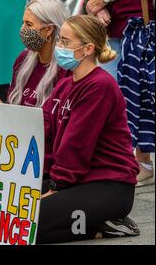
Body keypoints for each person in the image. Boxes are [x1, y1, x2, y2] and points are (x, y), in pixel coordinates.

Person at [37, 15, 140, 243]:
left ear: (88, 49)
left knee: (28, 223)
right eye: (59, 41)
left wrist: (56, 186)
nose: (58, 47)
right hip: (78, 179)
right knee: (8, 207)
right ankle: (96, 226)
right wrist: (0, 110)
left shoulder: (100, 86)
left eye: (65, 42)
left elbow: (76, 144)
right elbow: (40, 125)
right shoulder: (65, 84)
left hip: (110, 185)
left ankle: (101, 225)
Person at [85, 0, 155, 185]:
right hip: (106, 27)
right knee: (109, 99)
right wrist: (97, 7)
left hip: (136, 24)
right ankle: (118, 160)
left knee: (139, 94)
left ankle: (142, 161)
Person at [0, 0, 70, 108]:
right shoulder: (23, 59)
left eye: (29, 24)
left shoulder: (65, 68)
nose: (22, 29)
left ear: (48, 30)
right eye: (23, 23)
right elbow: (16, 113)